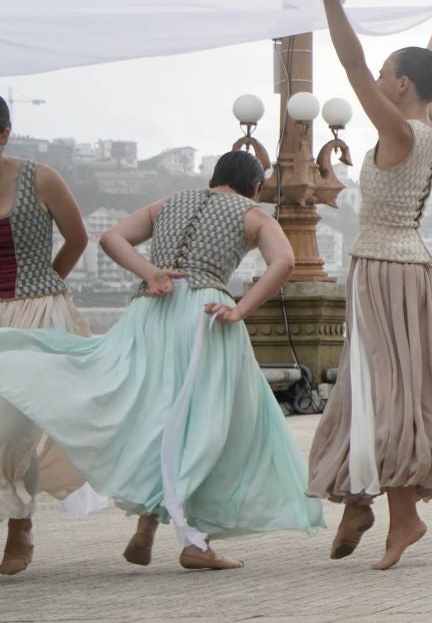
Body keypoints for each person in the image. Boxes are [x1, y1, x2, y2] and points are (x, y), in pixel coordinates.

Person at [0, 152, 316, 572]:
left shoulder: (169, 202)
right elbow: (286, 262)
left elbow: (111, 237)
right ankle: (196, 542)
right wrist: (240, 310)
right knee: (204, 426)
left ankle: (147, 527)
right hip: (205, 318)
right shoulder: (254, 215)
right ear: (256, 187)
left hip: (150, 310)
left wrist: (150, 272)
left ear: (214, 178)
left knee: (157, 420)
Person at [302, 0, 432, 571]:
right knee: (375, 389)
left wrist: (333, 3)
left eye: (390, 74)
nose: (380, 79)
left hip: (383, 272)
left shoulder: (397, 131)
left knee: (380, 390)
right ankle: (360, 500)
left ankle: (402, 514)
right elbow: (430, 71)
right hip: (408, 268)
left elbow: (351, 64)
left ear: (401, 85)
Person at [0, 95, 88, 575]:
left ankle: (20, 525)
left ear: (5, 134)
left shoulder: (42, 178)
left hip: (36, 312)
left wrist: (46, 285)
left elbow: (77, 239)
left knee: (17, 430)